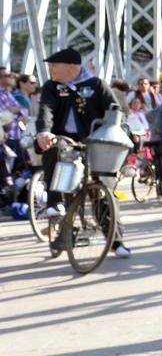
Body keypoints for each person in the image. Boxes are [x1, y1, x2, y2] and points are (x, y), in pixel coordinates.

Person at [33, 47, 131, 258]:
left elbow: (114, 111)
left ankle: (116, 242)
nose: (51, 69)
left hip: (93, 141)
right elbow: (46, 110)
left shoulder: (96, 85)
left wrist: (118, 133)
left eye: (54, 65)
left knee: (100, 191)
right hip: (62, 139)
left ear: (71, 67)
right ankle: (54, 203)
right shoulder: (52, 86)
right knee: (52, 150)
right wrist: (44, 131)